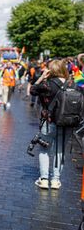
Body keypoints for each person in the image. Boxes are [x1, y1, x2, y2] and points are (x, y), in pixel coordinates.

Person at [30, 59, 75, 190]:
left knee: (44, 150)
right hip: (67, 123)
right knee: (60, 151)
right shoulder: (72, 84)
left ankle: (44, 179)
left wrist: (42, 77)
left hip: (49, 122)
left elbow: (32, 90)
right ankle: (55, 180)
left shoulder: (47, 84)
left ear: (51, 70)